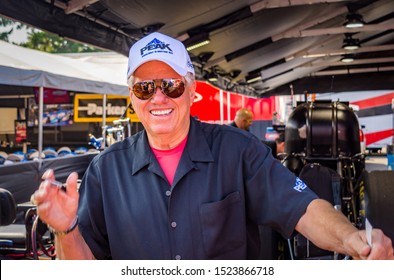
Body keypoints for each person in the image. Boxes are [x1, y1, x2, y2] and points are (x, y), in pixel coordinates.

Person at [31, 32, 393, 260]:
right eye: (145, 87)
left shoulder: (238, 151)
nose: (158, 97)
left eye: (170, 85)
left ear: (192, 91)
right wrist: (66, 229)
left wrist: (354, 241)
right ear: (132, 97)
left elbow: (302, 208)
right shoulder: (105, 171)